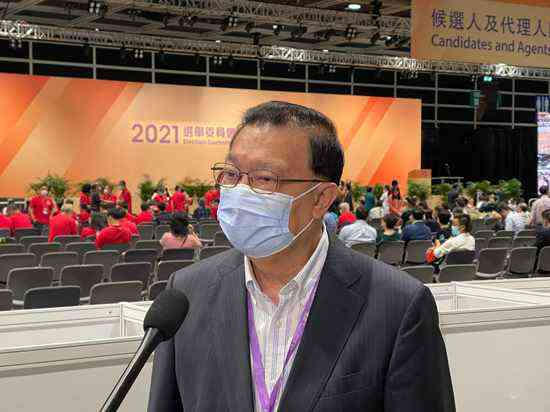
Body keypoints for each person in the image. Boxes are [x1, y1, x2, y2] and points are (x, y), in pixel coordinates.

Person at [149, 101, 454, 412]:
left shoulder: (397, 306)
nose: (240, 191)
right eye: (231, 174)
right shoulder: (186, 295)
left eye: (264, 178)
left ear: (321, 199)